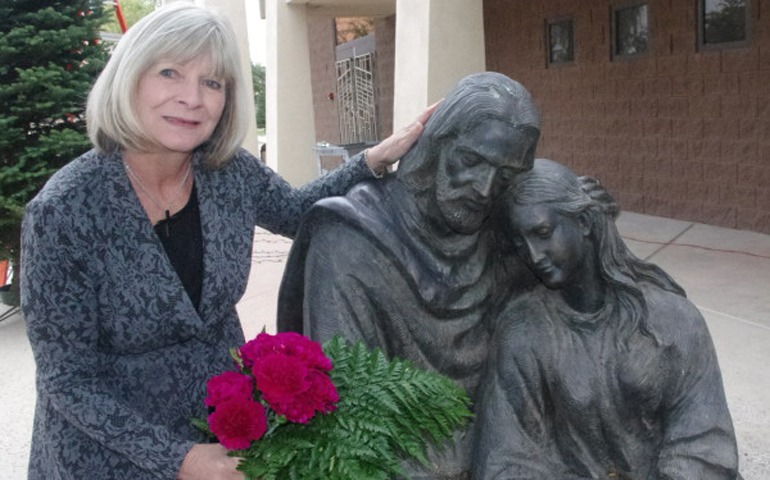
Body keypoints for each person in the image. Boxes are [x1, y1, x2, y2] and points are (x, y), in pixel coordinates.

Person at [20, 4, 433, 479]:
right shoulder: (63, 212)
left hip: (223, 436)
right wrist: (178, 459)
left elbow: (300, 214)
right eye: (170, 72)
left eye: (212, 82)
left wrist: (375, 159)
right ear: (129, 78)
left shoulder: (229, 174)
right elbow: (67, 381)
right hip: (106, 459)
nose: (192, 98)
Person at [277, 72, 541, 478]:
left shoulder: (508, 238)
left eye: (506, 175)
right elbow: (353, 423)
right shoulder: (350, 242)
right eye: (471, 161)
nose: (485, 188)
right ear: (437, 144)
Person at [472, 159, 740, 479]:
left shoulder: (674, 321)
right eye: (520, 243)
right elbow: (505, 456)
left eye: (542, 232)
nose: (533, 254)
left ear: (584, 221)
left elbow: (706, 445)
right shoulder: (522, 330)